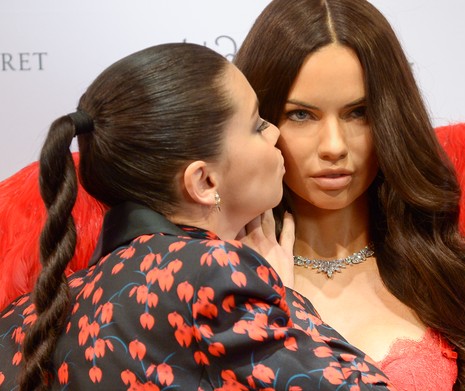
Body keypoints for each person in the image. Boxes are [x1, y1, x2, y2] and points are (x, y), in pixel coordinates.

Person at [0, 43, 395, 390]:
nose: (275, 134)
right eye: (257, 125)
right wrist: (286, 299)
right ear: (204, 181)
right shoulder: (214, 274)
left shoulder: (30, 313)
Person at [234, 1, 465, 390]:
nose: (333, 146)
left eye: (359, 112)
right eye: (301, 115)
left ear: (391, 118)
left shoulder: (451, 276)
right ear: (258, 120)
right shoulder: (219, 276)